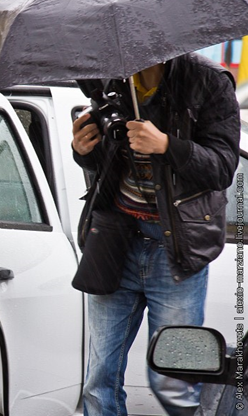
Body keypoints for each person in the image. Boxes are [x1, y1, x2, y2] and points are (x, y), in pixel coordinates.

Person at [72, 53, 241, 416]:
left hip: (176, 248)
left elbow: (223, 166)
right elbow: (105, 161)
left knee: (175, 380)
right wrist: (83, 150)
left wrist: (167, 146)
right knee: (98, 379)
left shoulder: (207, 81)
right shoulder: (107, 79)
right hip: (115, 242)